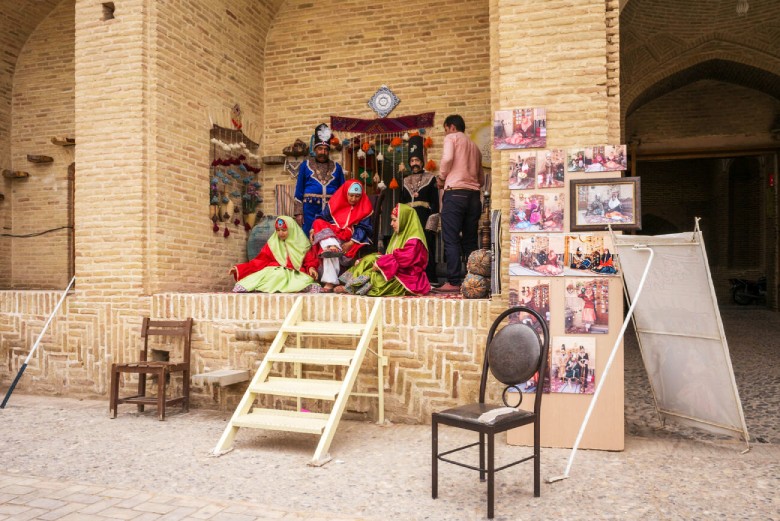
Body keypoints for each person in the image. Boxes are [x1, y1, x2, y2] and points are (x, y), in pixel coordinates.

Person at [333, 203, 431, 296]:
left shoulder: (415, 241)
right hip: (395, 269)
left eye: (394, 220)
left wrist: (381, 264)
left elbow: (402, 259)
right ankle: (348, 283)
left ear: (404, 220)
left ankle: (350, 288)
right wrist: (374, 260)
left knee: (375, 278)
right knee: (369, 259)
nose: (391, 223)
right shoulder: (399, 234)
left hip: (408, 277)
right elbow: (390, 255)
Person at [436, 114, 484, 292]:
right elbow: (481, 178)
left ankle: (454, 282)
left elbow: (447, 158)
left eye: (445, 130)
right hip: (474, 196)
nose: (445, 134)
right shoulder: (475, 147)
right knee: (470, 240)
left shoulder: (452, 138)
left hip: (455, 193)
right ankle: (474, 282)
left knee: (451, 238)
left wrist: (441, 178)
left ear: (451, 127)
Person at [310, 179, 373, 292]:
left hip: (349, 236)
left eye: (357, 196)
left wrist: (351, 242)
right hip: (331, 235)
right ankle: (332, 246)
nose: (354, 199)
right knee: (318, 223)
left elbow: (364, 228)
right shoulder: (335, 202)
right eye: (351, 195)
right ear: (345, 193)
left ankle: (329, 283)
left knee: (328, 250)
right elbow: (321, 217)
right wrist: (312, 230)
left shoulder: (365, 207)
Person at [230, 216, 319, 293]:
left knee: (304, 280)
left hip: (295, 273)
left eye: (284, 230)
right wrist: (239, 269)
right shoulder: (272, 243)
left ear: (292, 229)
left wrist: (311, 267)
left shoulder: (302, 243)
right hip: (274, 272)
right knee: (273, 275)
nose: (280, 233)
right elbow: (259, 261)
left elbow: (309, 259)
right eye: (278, 230)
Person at [400, 135, 440, 284]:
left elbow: (435, 203)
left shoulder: (431, 178)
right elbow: (401, 203)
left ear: (422, 161)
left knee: (426, 246)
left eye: (417, 160)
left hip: (424, 219)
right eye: (412, 161)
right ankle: (411, 278)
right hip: (409, 220)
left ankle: (430, 278)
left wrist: (431, 225)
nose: (414, 163)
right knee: (410, 247)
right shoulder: (404, 180)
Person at [294, 123, 346, 236]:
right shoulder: (305, 165)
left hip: (330, 211)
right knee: (309, 239)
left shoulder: (337, 167)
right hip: (309, 210)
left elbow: (343, 191)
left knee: (328, 239)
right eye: (320, 149)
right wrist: (299, 213)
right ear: (315, 149)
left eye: (326, 149)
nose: (323, 152)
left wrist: (342, 213)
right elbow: (299, 190)